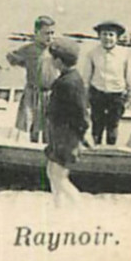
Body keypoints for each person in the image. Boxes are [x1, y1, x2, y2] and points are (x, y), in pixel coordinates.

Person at [6, 17, 81, 141]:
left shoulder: (57, 49)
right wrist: (24, 63)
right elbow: (11, 57)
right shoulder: (28, 49)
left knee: (50, 125)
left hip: (52, 92)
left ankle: (48, 147)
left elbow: (70, 63)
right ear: (36, 33)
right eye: (46, 33)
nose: (50, 37)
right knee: (33, 124)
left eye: (52, 33)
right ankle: (34, 145)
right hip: (33, 92)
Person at [79, 19, 131, 146]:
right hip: (98, 93)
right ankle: (96, 146)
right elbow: (86, 78)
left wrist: (129, 95)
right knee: (97, 124)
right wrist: (85, 96)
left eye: (111, 35)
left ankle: (111, 148)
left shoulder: (124, 54)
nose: (107, 38)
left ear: (117, 38)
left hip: (116, 95)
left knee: (113, 125)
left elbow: (130, 77)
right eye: (104, 34)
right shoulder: (92, 54)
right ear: (99, 36)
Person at [43, 48, 89, 206]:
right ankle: (58, 206)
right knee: (51, 172)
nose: (50, 60)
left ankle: (80, 206)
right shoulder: (68, 78)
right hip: (60, 134)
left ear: (59, 61)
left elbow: (80, 112)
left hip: (67, 136)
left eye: (52, 58)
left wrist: (81, 135)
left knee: (58, 176)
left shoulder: (69, 83)